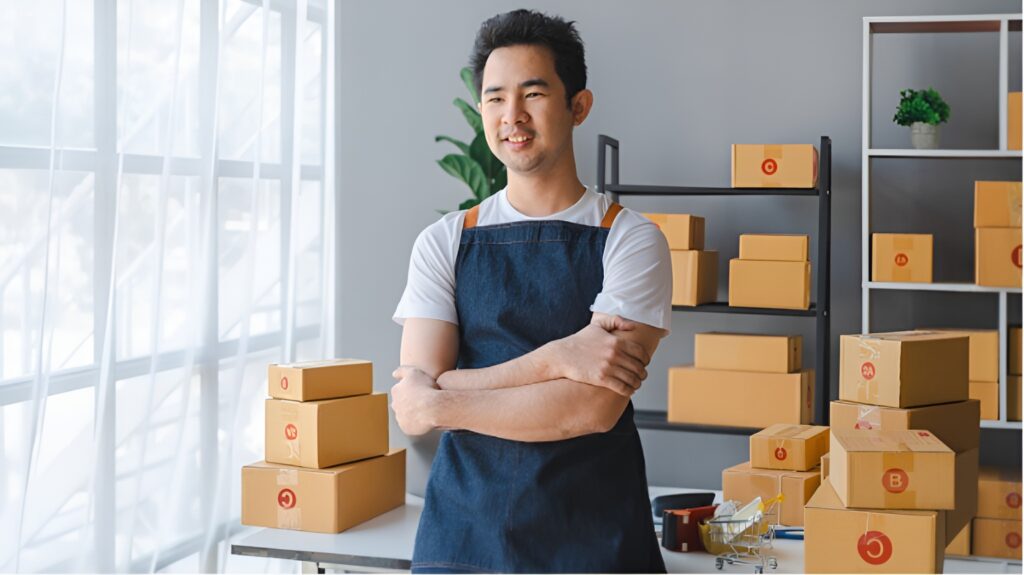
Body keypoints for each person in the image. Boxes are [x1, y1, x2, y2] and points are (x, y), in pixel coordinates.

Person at [390, 9, 672, 573]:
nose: (511, 116)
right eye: (495, 99)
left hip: (592, 538)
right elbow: (411, 415)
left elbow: (589, 408)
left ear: (578, 106)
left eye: (533, 93)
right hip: (461, 538)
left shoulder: (631, 240)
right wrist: (559, 358)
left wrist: (442, 395)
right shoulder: (445, 241)